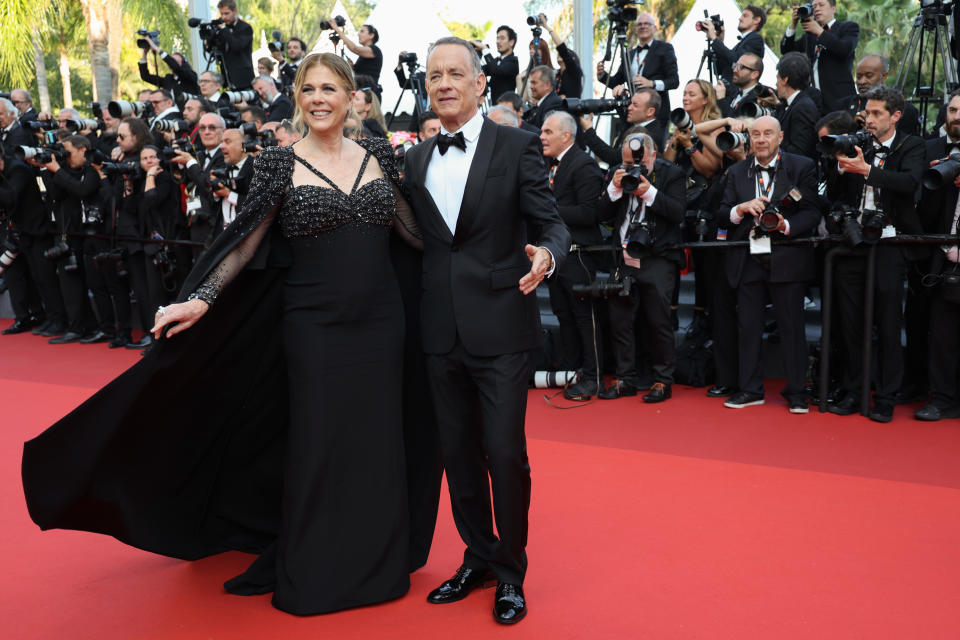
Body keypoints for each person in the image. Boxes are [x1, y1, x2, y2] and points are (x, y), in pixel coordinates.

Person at [23, 52, 441, 617]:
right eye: (309, 89)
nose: (319, 99)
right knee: (319, 442)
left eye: (329, 89)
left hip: (381, 324)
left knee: (377, 442)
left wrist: (475, 256)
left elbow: (412, 232)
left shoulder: (378, 157)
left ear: (350, 98)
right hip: (313, 324)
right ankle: (319, 568)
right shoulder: (277, 164)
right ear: (299, 97)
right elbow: (244, 242)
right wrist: (201, 298)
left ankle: (378, 563)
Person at [401, 36, 569, 625]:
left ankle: (509, 571)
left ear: (478, 82)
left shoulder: (518, 145)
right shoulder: (416, 158)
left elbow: (552, 225)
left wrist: (546, 256)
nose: (443, 83)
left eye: (455, 73)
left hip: (501, 323)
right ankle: (475, 555)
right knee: (458, 455)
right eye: (433, 76)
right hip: (438, 328)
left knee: (503, 452)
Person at [825, 87, 925, 422]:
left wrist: (866, 170)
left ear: (896, 115)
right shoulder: (857, 142)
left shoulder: (911, 145)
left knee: (887, 321)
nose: (869, 119)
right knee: (851, 322)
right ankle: (855, 389)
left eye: (877, 113)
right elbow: (835, 194)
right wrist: (841, 168)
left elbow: (909, 182)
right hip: (853, 240)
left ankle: (886, 395)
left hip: (890, 245)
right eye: (867, 113)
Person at [721, 116, 821, 413]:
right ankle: (750, 389)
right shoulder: (737, 171)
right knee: (748, 327)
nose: (761, 139)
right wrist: (740, 209)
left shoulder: (801, 166)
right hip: (748, 256)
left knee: (792, 327)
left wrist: (785, 225)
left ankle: (797, 392)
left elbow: (813, 211)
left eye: (767, 133)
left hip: (787, 257)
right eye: (755, 134)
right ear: (749, 139)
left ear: (780, 137)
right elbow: (722, 212)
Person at [597, 131, 685, 402]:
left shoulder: (672, 174)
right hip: (624, 256)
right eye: (626, 163)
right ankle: (625, 378)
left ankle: (662, 380)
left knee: (658, 320)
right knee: (620, 320)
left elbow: (678, 213)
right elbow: (600, 214)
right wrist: (614, 187)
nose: (633, 168)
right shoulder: (617, 172)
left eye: (639, 163)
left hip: (657, 256)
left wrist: (650, 192)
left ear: (654, 155)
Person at [539, 111, 604, 400]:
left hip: (579, 256)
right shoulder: (553, 165)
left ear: (566, 135)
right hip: (560, 257)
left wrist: (548, 211)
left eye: (547, 132)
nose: (542, 137)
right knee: (564, 315)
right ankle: (570, 369)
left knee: (583, 317)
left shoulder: (584, 164)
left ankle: (594, 377)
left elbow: (591, 213)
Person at [597, 12, 679, 127]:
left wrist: (652, 84)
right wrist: (602, 75)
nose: (643, 26)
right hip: (633, 115)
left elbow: (674, 81)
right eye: (639, 24)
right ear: (636, 29)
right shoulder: (629, 54)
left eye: (647, 23)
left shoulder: (665, 48)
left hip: (657, 116)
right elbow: (616, 82)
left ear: (654, 28)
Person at [781, 0, 858, 113]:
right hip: (815, 102)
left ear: (833, 8)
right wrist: (793, 24)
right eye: (814, 6)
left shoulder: (848, 27)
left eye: (821, 5)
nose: (817, 9)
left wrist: (819, 31)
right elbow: (787, 51)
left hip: (839, 99)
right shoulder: (810, 35)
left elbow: (844, 49)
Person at [840, 54, 920, 136]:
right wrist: (853, 125)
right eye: (859, 77)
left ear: (883, 76)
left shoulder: (906, 110)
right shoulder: (844, 105)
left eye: (869, 76)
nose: (862, 82)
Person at [580, 88, 665, 163]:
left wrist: (589, 130)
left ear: (650, 112)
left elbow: (614, 158)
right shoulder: (636, 123)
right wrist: (620, 95)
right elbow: (624, 118)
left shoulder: (650, 135)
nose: (629, 108)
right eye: (630, 103)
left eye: (635, 105)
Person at [700, 5, 766, 85]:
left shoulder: (756, 39)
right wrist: (720, 41)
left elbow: (738, 63)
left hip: (735, 92)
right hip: (725, 90)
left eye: (745, 16)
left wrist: (715, 39)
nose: (740, 18)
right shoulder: (742, 43)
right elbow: (720, 70)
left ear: (756, 20)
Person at [774, 52, 820, 160]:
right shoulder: (788, 104)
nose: (776, 84)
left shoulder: (803, 107)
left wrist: (773, 141)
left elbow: (800, 151)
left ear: (785, 80)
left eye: (778, 79)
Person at [538, 14, 583, 99]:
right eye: (558, 53)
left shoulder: (574, 71)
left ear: (573, 59)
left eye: (567, 54)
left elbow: (562, 49)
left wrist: (546, 26)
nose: (560, 53)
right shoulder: (555, 74)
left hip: (570, 111)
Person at [214, 0, 255, 89]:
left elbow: (237, 46)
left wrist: (224, 30)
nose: (223, 17)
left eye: (226, 13)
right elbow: (217, 50)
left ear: (235, 11)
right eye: (221, 14)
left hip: (244, 79)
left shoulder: (245, 28)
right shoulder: (222, 30)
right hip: (227, 77)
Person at [475, 25, 519, 105]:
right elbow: (480, 70)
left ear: (511, 42)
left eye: (502, 38)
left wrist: (485, 49)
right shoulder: (496, 61)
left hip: (506, 110)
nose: (498, 41)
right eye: (497, 38)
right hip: (494, 107)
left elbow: (496, 71)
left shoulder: (513, 61)